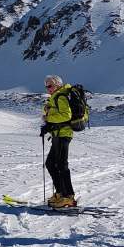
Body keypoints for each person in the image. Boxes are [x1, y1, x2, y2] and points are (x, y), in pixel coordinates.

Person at [40, 75, 77, 208]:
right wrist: (48, 124)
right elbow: (55, 115)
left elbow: (66, 116)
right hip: (57, 134)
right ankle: (61, 193)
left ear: (57, 85)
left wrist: (48, 120)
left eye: (50, 85)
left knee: (61, 165)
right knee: (51, 163)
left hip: (63, 134)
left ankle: (68, 196)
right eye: (46, 86)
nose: (48, 88)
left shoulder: (61, 96)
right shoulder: (55, 97)